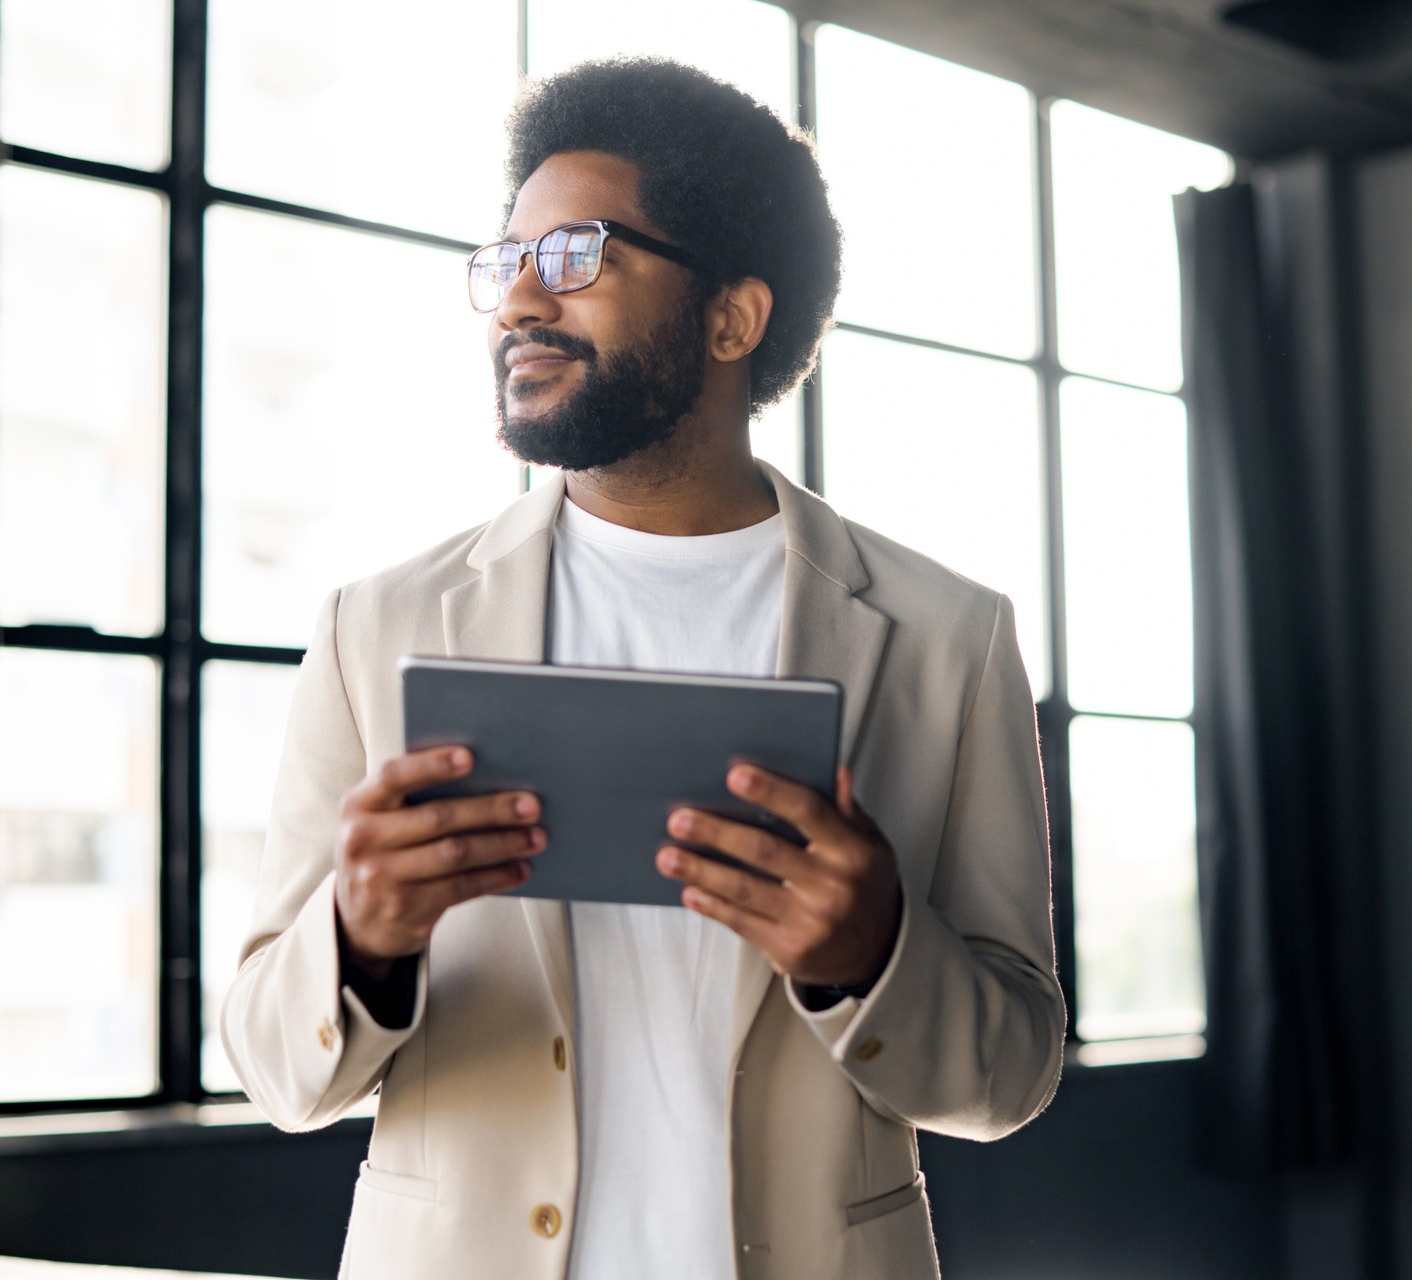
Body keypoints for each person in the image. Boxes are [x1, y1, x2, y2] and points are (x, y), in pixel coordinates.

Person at [223, 57, 1065, 1280]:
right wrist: (359, 934)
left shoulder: (947, 636)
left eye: (573, 257)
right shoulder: (379, 625)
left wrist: (876, 951)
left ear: (732, 316)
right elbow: (269, 1067)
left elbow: (1012, 1074)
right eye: (505, 260)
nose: (518, 298)